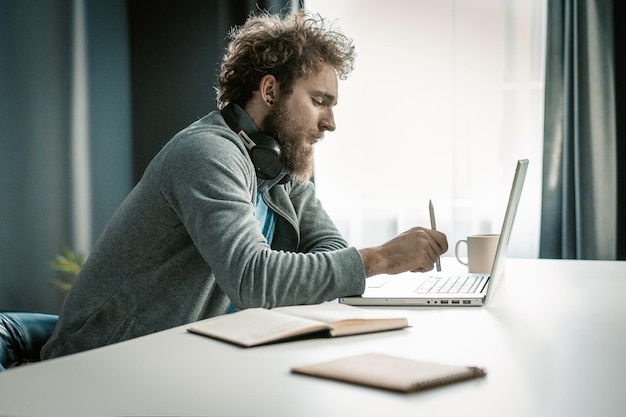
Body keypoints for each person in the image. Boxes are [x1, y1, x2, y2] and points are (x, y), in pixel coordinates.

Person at [41, 10, 447, 359]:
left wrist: (344, 266)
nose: (330, 123)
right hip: (100, 365)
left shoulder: (279, 164)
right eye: (319, 101)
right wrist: (381, 258)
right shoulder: (207, 154)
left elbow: (331, 250)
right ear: (270, 91)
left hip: (179, 360)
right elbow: (254, 279)